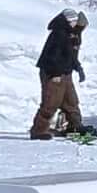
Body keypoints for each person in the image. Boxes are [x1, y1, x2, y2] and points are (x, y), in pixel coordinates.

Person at [31, 9, 87, 140]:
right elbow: (53, 55)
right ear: (68, 21)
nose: (75, 24)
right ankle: (38, 131)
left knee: (70, 101)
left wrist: (78, 68)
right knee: (51, 102)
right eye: (73, 21)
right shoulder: (59, 34)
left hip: (65, 73)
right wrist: (55, 73)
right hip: (53, 73)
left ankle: (74, 127)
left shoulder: (69, 34)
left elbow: (69, 55)